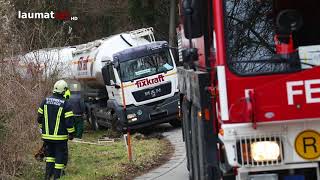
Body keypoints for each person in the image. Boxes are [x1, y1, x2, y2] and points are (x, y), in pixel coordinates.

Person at [37, 80, 75, 180]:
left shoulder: (45, 101)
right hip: (60, 137)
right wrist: (71, 133)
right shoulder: (66, 104)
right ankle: (57, 177)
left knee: (50, 157)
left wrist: (42, 128)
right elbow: (69, 123)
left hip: (46, 137)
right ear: (64, 91)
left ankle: (47, 176)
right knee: (59, 157)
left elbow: (39, 118)